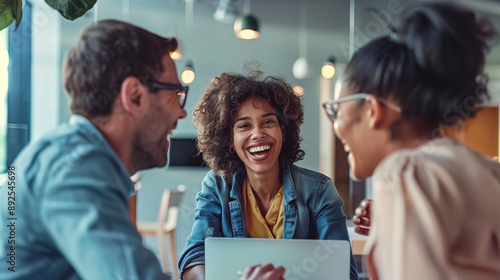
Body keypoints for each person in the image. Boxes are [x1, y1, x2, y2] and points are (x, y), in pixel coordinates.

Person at [322, 2, 500, 280]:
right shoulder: (487, 171)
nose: (335, 124)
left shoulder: (404, 173)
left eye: (336, 109)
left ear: (371, 110)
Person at [0, 20, 188, 279]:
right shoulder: (76, 167)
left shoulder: (68, 156)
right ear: (134, 96)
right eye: (176, 93)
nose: (182, 111)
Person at [179, 71, 358, 280]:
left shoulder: (319, 191)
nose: (257, 134)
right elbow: (194, 258)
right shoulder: (217, 187)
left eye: (268, 122)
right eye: (244, 125)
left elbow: (345, 273)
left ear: (283, 131)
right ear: (229, 139)